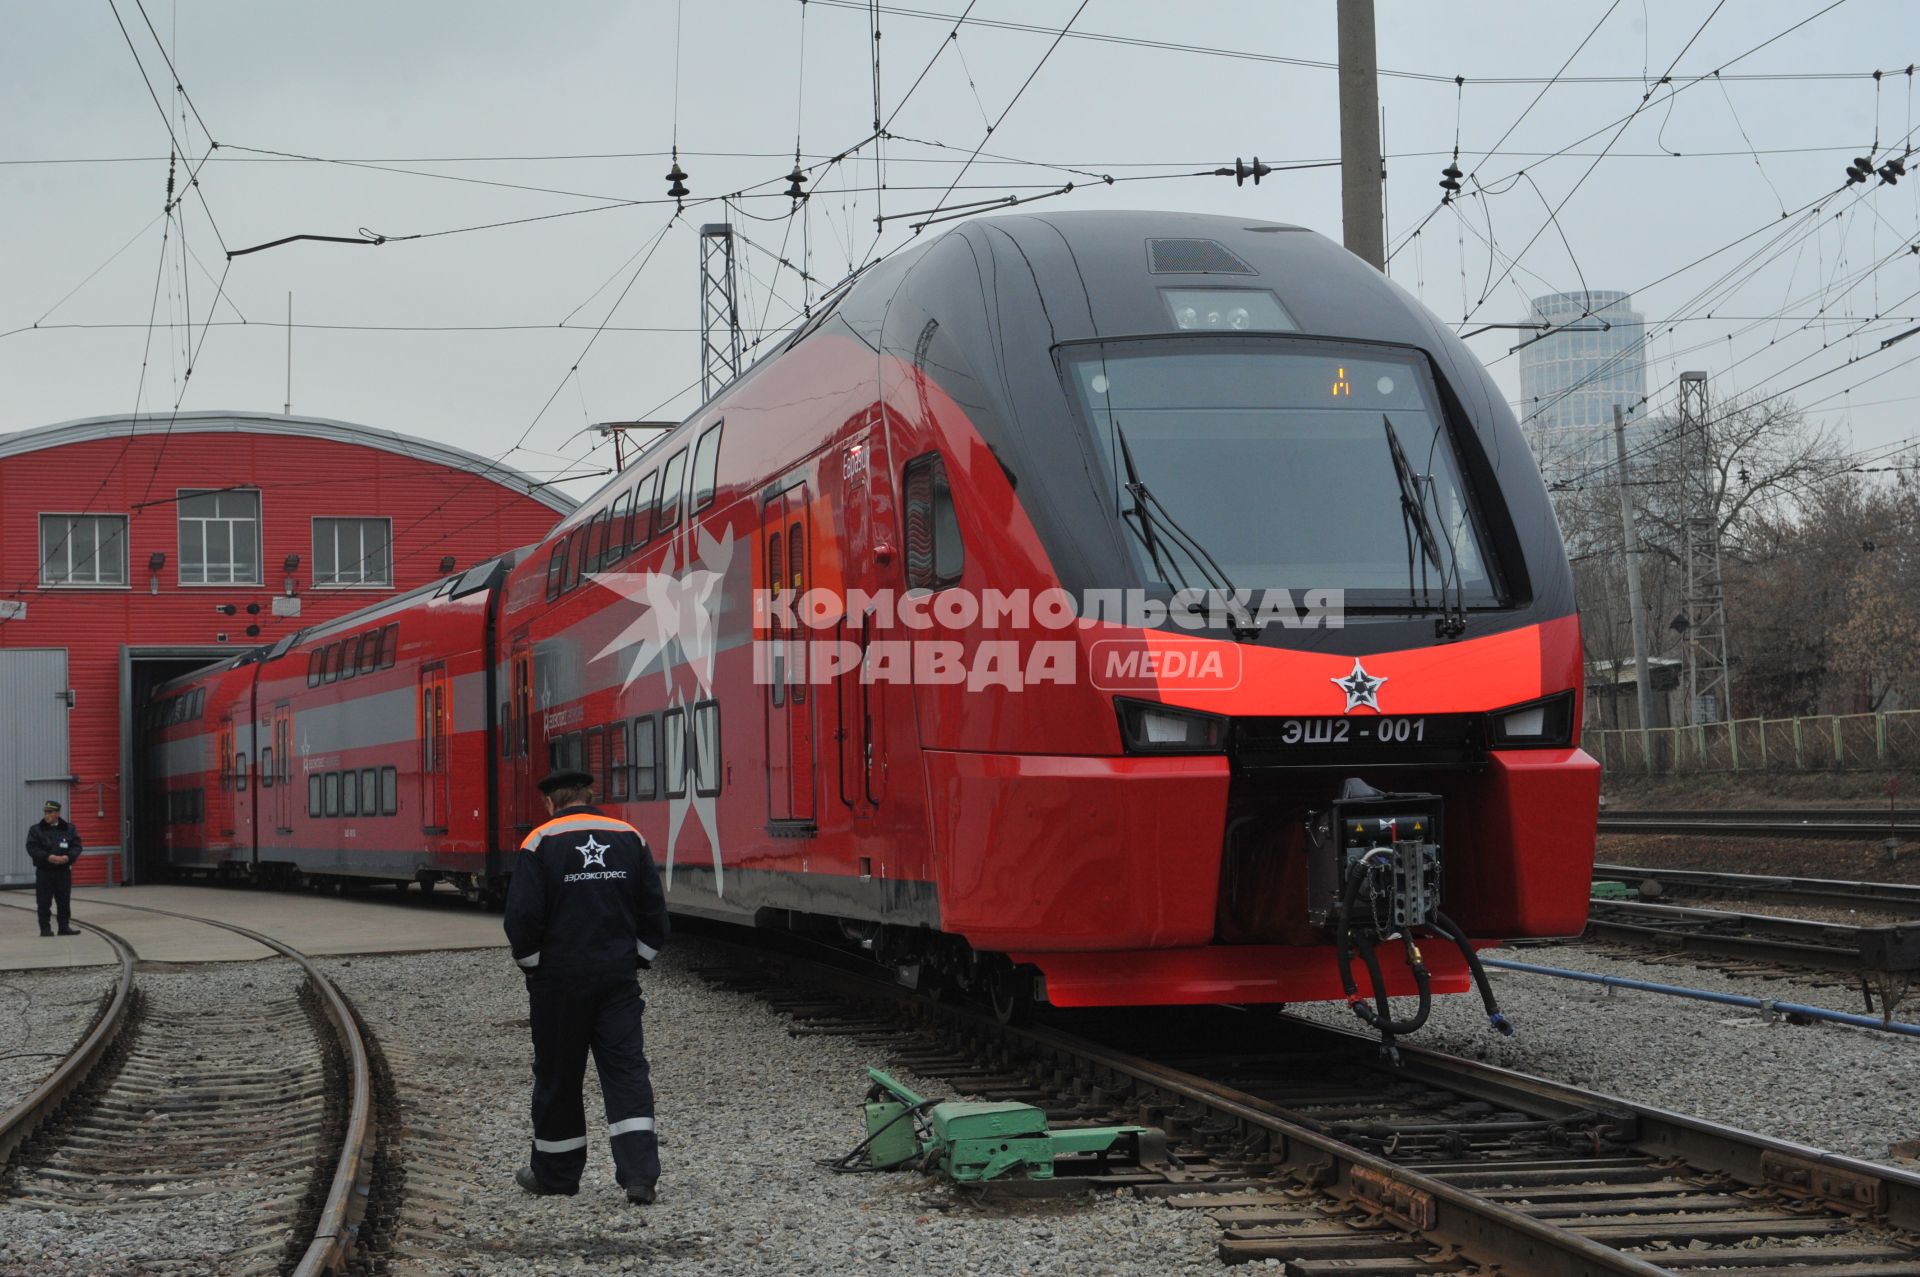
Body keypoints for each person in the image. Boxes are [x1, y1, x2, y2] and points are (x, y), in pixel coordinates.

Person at [504, 767, 669, 1205]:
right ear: (590, 794)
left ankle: (556, 1176)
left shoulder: (538, 843)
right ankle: (639, 1178)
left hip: (559, 983)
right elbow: (653, 911)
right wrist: (637, 958)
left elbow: (522, 918)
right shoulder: (628, 836)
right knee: (626, 1073)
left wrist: (534, 966)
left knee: (559, 1076)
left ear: (550, 802)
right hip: (617, 979)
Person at [26, 799, 83, 937]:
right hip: (45, 871)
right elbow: (32, 847)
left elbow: (77, 846)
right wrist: (47, 857)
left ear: (57, 813)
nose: (47, 815)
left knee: (64, 900)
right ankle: (45, 928)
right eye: (45, 812)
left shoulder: (69, 829)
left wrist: (68, 857)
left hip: (63, 871)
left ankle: (64, 927)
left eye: (50, 812)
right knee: (44, 901)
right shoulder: (36, 830)